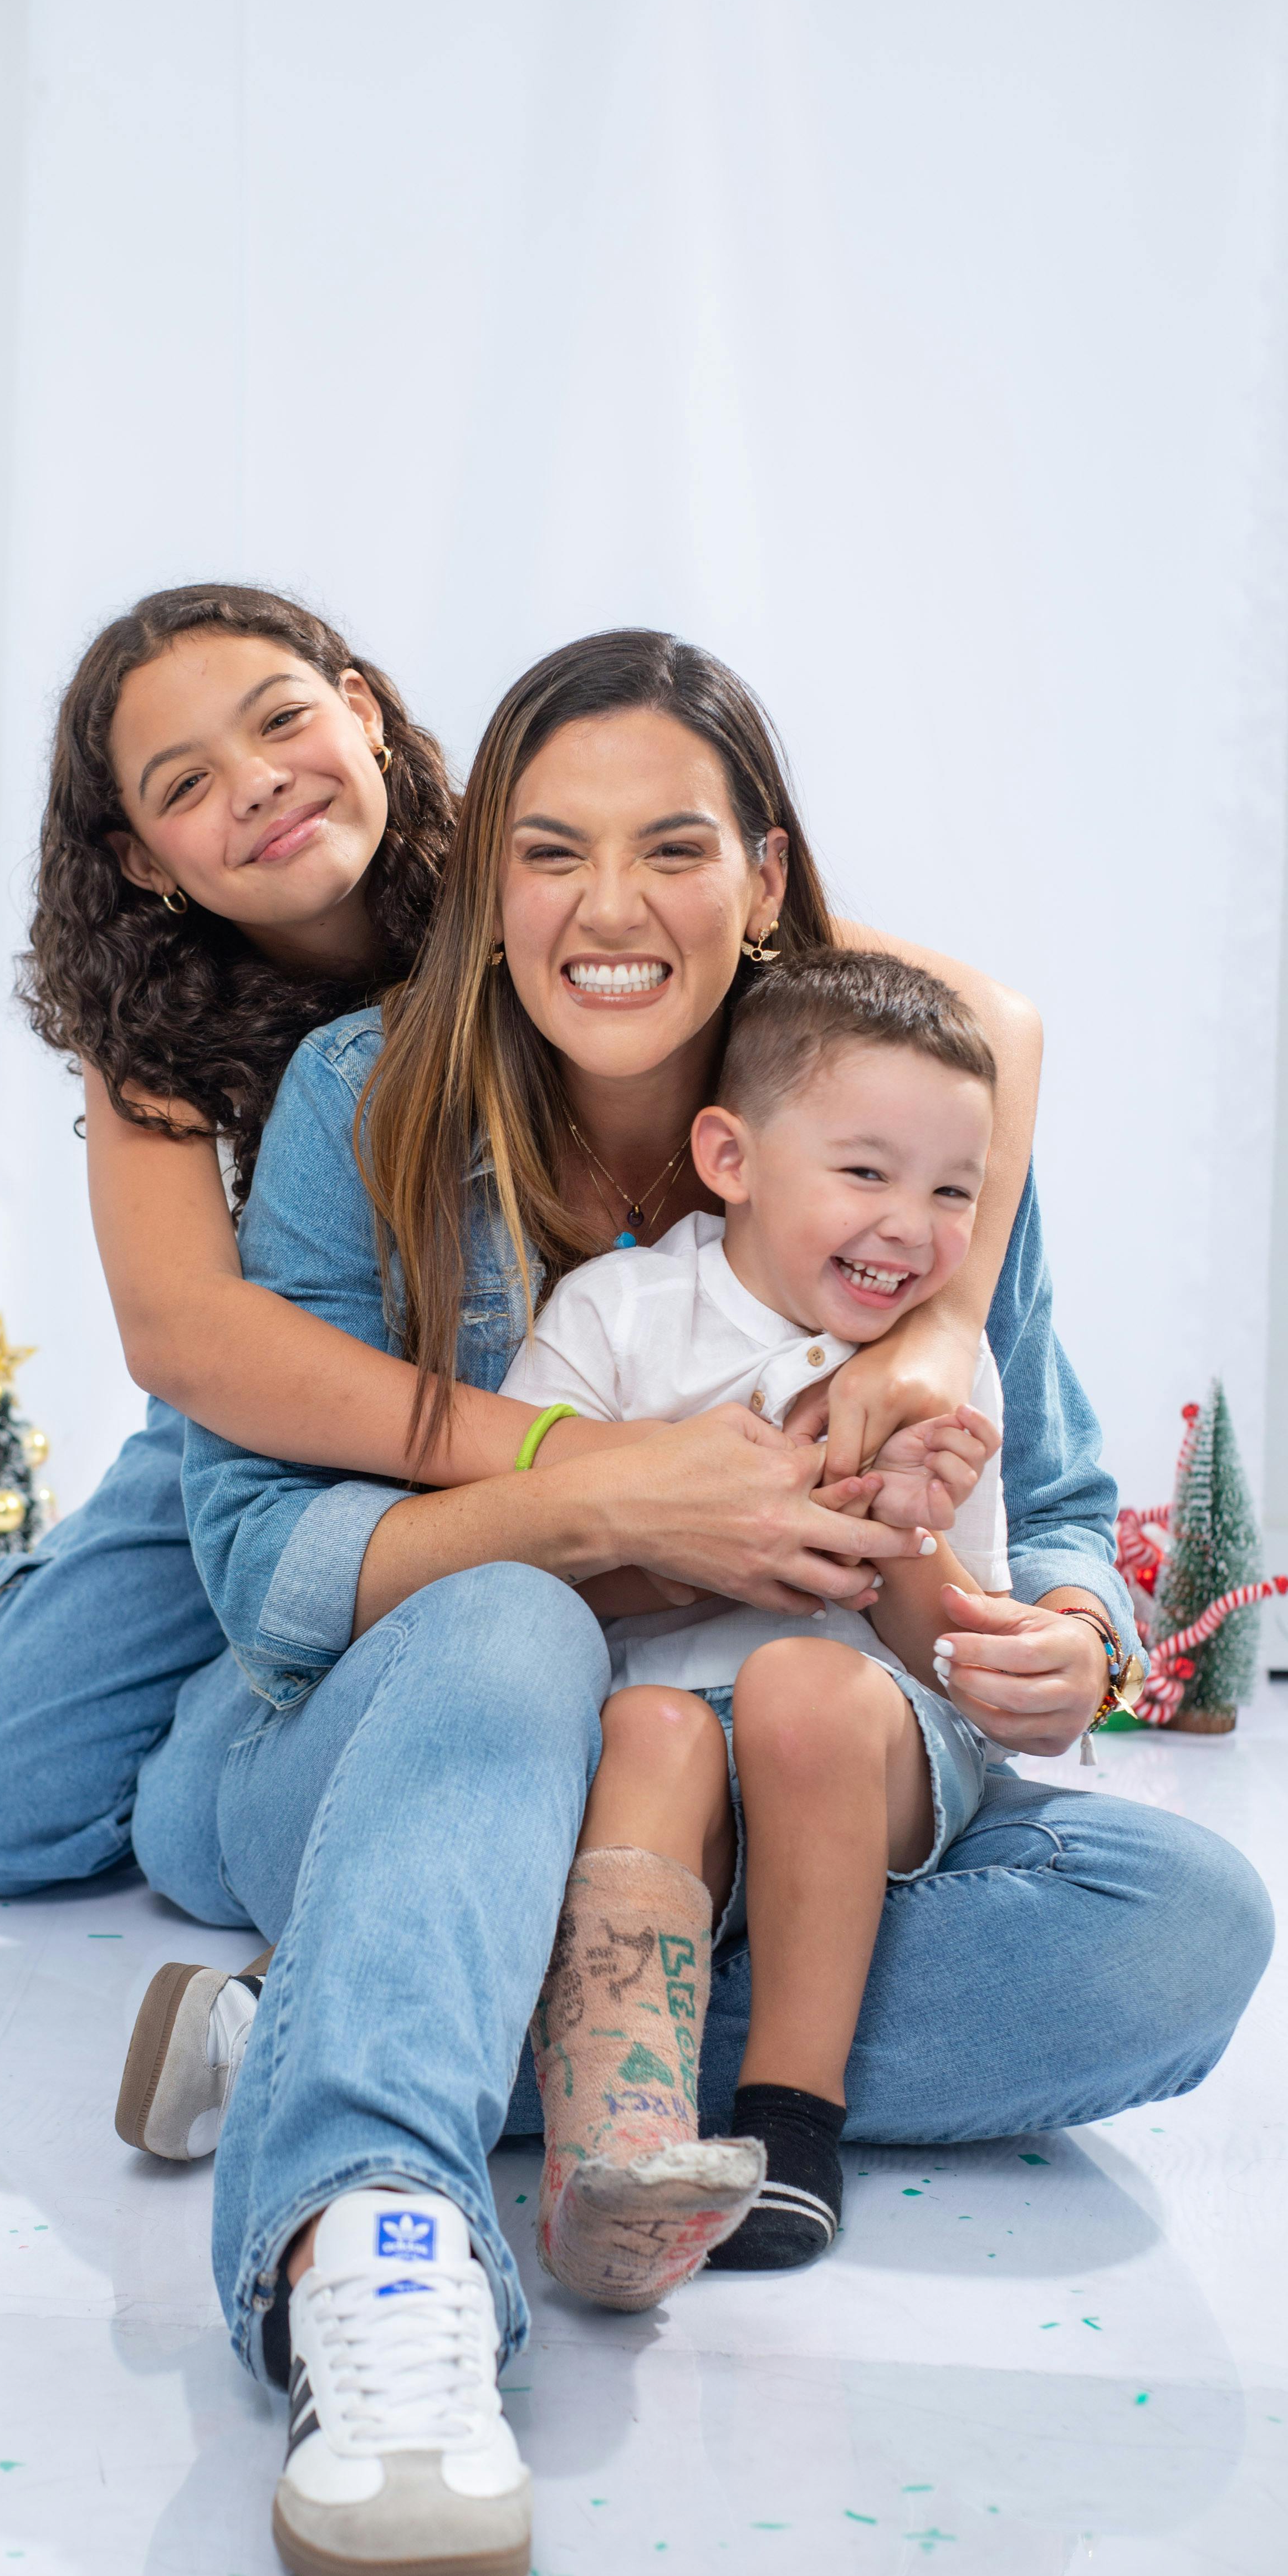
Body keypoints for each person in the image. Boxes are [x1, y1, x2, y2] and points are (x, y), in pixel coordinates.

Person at [0, 620, 1271, 2576]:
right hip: (404, 1716)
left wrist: (1062, 1630)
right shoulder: (360, 1095)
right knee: (514, 1631)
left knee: (1182, 1937)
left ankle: (352, 2016)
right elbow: (256, 1560)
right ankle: (371, 2228)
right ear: (489, 878)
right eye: (552, 854)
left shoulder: (907, 1115)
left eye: (675, 853)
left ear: (764, 881)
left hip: (759, 1779)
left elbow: (1042, 1487)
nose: (608, 910)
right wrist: (597, 1505)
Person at [506, 947, 1132, 2304]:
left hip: (866, 1739)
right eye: (865, 1174)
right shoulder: (616, 1317)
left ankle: (794, 2112)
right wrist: (704, 1545)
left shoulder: (930, 1365)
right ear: (728, 1156)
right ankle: (620, 2151)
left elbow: (941, 1652)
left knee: (802, 1688)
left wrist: (907, 1527)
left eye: (954, 1192)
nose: (912, 1227)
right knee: (653, 1725)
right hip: (646, 1760)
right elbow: (522, 1579)